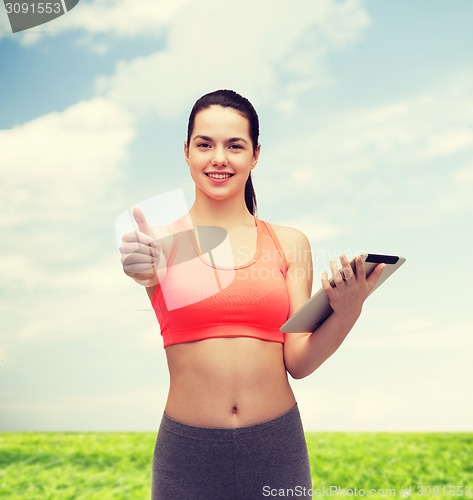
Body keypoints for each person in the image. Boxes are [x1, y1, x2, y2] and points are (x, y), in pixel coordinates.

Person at [119, 89, 385, 499]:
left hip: (276, 447)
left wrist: (349, 309)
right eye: (205, 144)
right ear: (186, 152)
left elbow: (298, 361)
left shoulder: (289, 243)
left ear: (255, 155)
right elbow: (144, 271)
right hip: (188, 453)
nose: (219, 158)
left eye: (235, 146)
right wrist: (141, 269)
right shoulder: (160, 243)